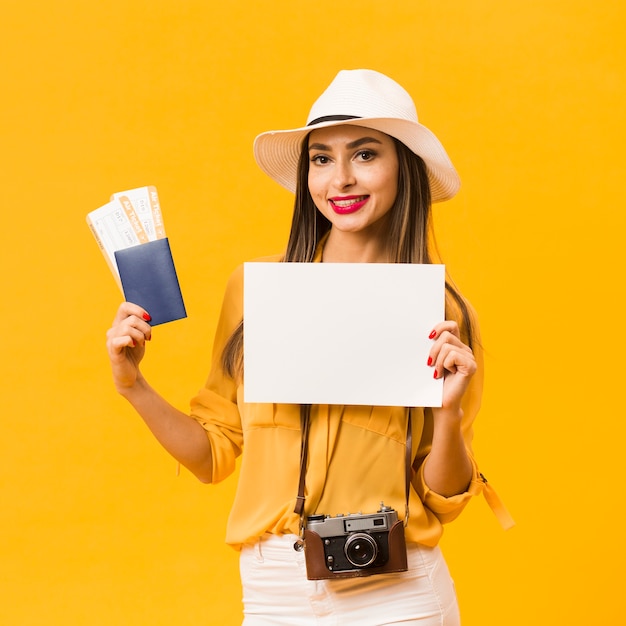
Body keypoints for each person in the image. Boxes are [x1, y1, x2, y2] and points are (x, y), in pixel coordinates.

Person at [106, 69, 511, 625]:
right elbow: (212, 456)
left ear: (404, 170)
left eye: (365, 155)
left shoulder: (444, 314)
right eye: (321, 159)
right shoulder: (251, 290)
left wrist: (448, 414)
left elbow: (442, 498)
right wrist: (134, 386)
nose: (339, 179)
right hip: (273, 591)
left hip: (394, 591)